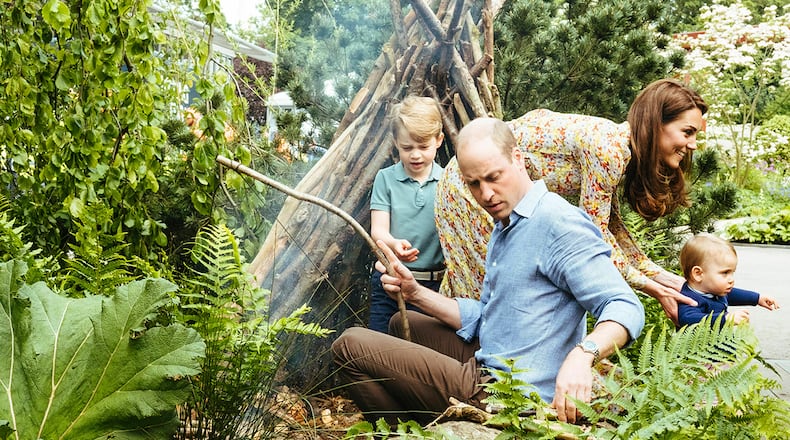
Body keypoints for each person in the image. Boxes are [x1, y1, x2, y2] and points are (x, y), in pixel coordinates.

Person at [332, 117, 645, 426]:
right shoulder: (507, 223)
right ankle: (419, 426)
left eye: (494, 177)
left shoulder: (557, 223)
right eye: (474, 184)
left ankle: (406, 432)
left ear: (518, 159)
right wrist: (414, 293)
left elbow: (625, 306)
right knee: (401, 322)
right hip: (495, 356)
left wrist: (583, 354)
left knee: (349, 345)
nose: (487, 194)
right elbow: (491, 317)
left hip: (508, 393)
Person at [436, 79, 707, 324]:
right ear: (657, 123)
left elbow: (612, 228)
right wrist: (651, 287)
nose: (693, 144)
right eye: (687, 132)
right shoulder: (609, 150)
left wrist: (665, 279)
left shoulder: (619, 148)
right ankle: (479, 373)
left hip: (482, 184)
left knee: (480, 285)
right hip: (467, 184)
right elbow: (596, 237)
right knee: (491, 292)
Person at [368, 96, 446, 333]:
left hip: (433, 286)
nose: (415, 155)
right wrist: (393, 244)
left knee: (423, 355)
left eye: (423, 147)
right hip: (390, 280)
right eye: (407, 147)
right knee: (381, 349)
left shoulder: (447, 182)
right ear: (395, 143)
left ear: (439, 140)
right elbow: (378, 230)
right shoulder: (386, 179)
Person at [677, 233, 780, 328]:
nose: (731, 279)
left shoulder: (714, 290)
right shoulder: (690, 299)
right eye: (725, 273)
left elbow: (731, 294)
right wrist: (724, 319)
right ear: (698, 274)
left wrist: (757, 298)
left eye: (732, 272)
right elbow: (687, 319)